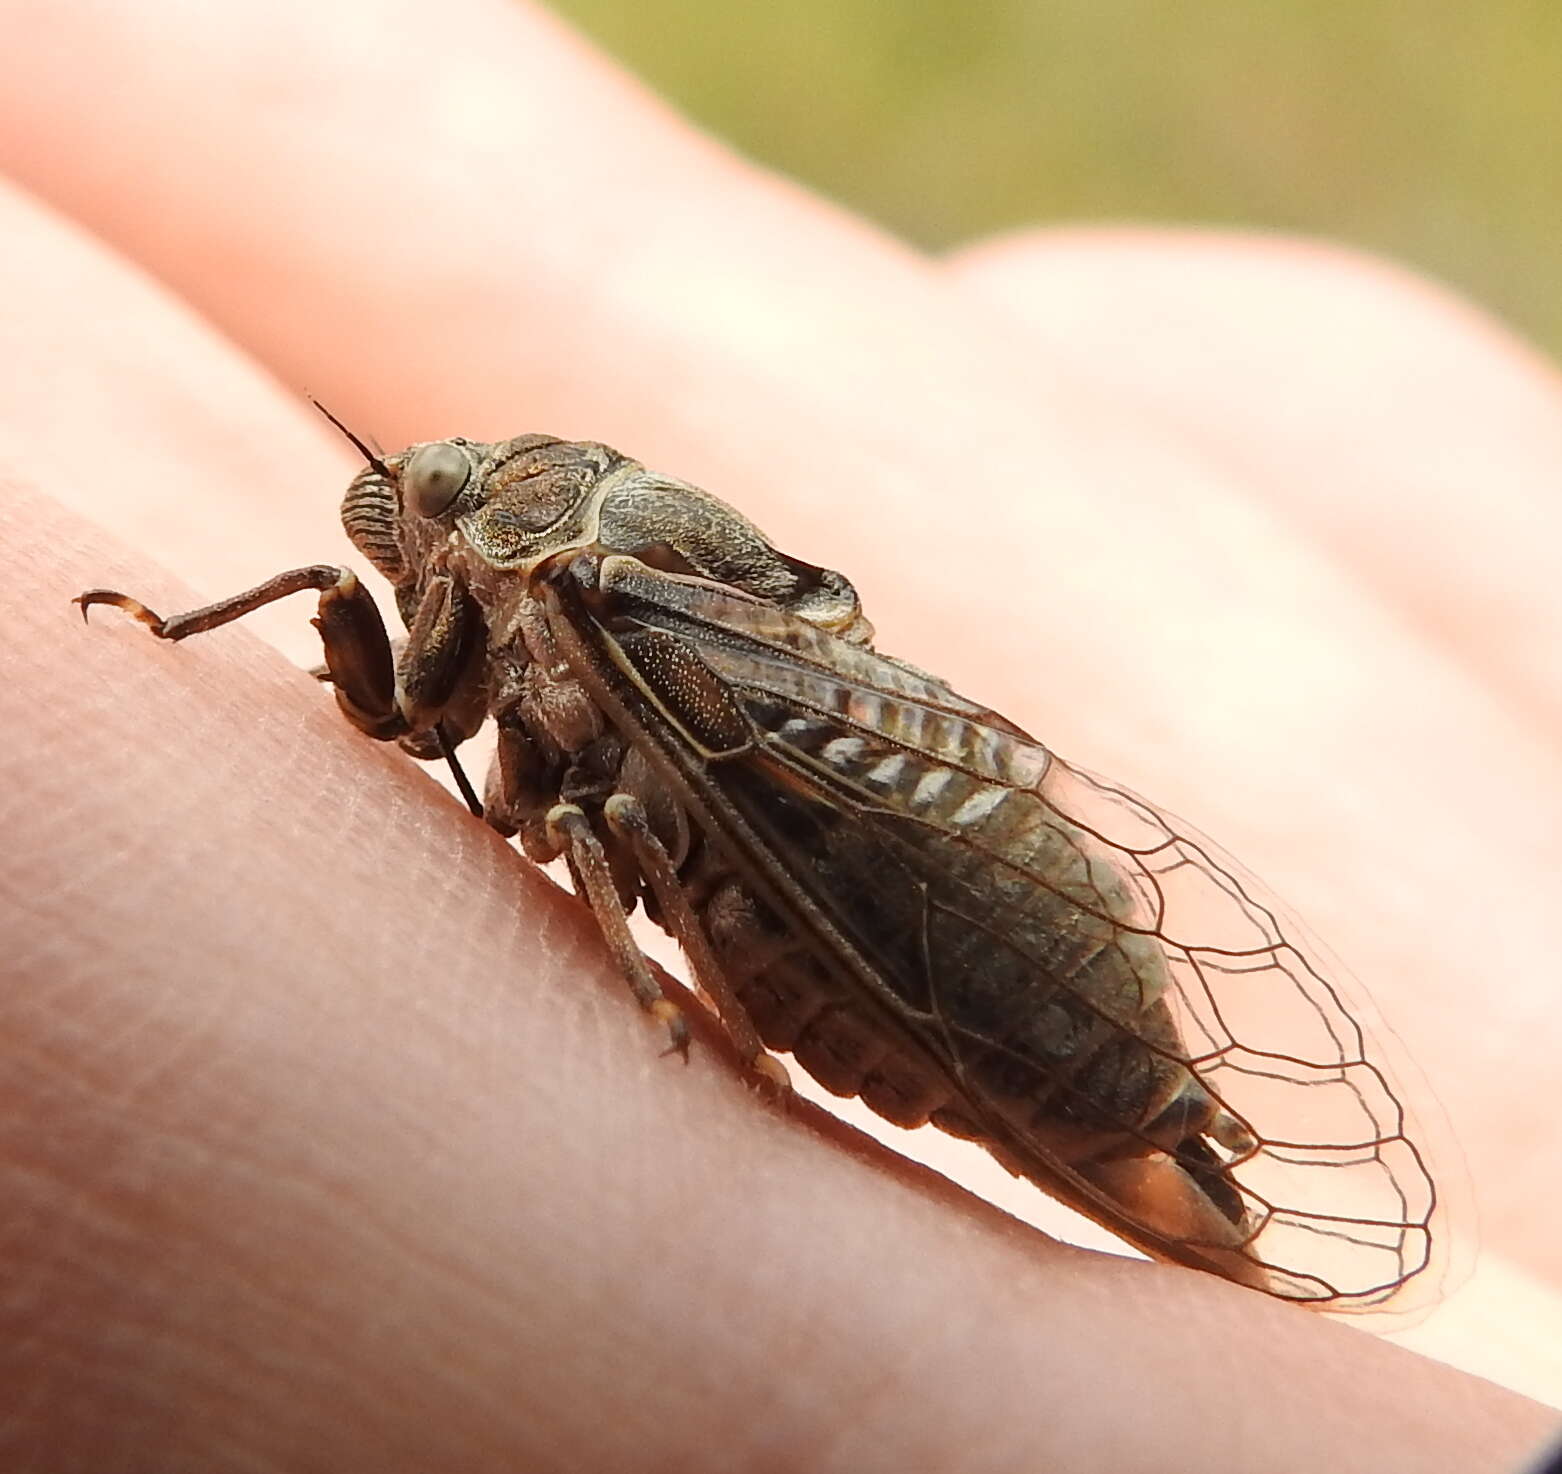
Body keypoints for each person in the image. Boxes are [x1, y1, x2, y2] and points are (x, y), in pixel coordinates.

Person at [1, 2, 1558, 1468]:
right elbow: (449, 732)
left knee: (633, 819)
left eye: (401, 534)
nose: (389, 558)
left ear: (503, 543)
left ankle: (1130, 1102)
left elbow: (573, 804)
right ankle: (1149, 1107)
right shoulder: (564, 590)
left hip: (860, 901)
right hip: (867, 805)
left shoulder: (592, 610)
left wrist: (640, 979)